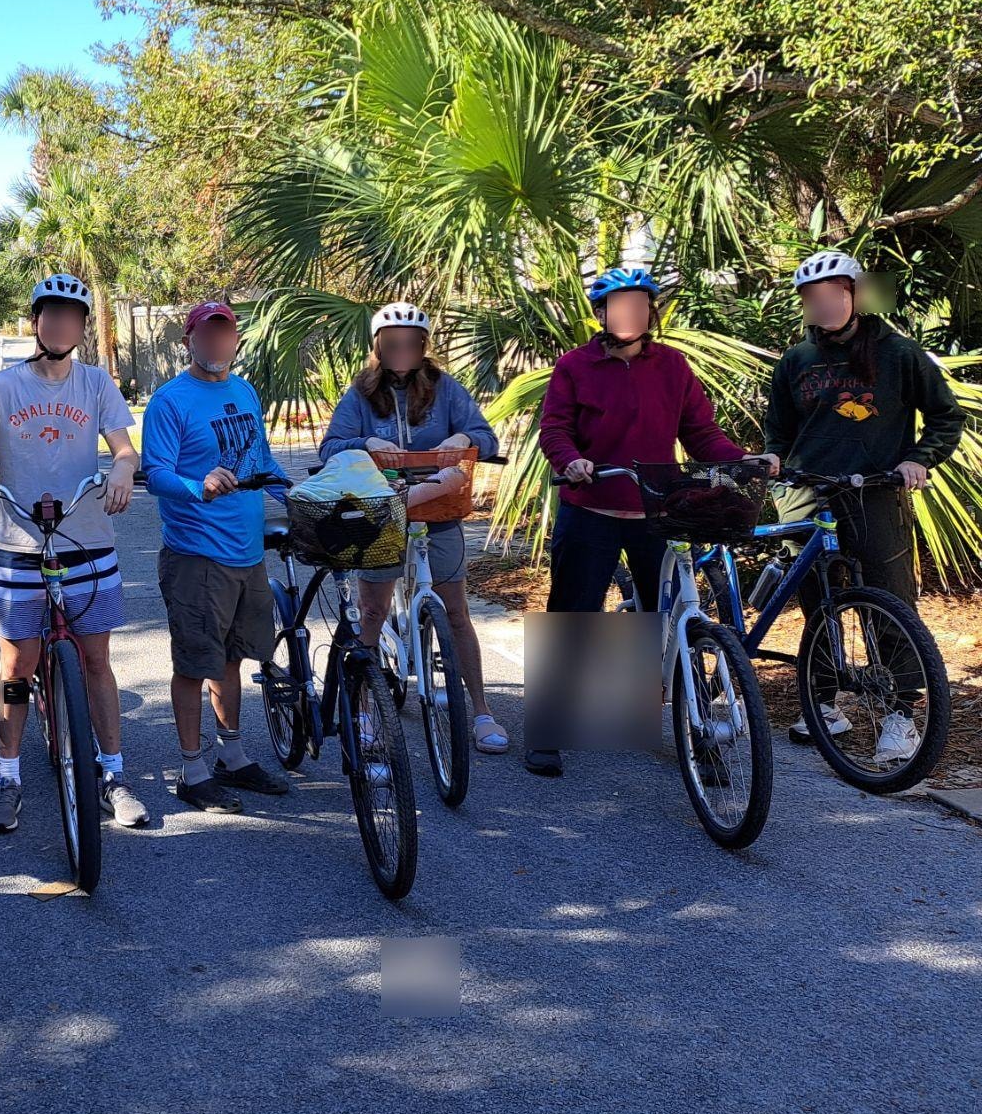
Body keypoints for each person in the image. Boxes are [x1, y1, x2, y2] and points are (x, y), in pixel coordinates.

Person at [531, 267, 774, 776]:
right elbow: (554, 427)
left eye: (640, 306)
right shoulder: (575, 365)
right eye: (619, 307)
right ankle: (549, 729)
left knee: (675, 620)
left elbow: (701, 432)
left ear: (650, 312)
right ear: (601, 314)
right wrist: (570, 460)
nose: (630, 315)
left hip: (656, 512)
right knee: (573, 614)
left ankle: (700, 734)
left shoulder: (672, 366)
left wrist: (740, 459)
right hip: (591, 506)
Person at [0, 273, 146, 833]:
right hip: (18, 547)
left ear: (80, 327)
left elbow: (124, 449)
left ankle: (113, 776)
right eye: (49, 316)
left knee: (97, 661)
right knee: (16, 668)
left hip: (88, 542)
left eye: (71, 317)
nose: (60, 325)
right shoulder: (2, 388)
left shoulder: (97, 383)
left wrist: (124, 470)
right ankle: (8, 777)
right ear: (36, 323)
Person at [764, 250, 965, 754]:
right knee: (816, 602)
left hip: (873, 489)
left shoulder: (899, 353)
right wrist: (771, 458)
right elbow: (780, 430)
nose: (823, 303)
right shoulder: (796, 361)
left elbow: (945, 416)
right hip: (808, 492)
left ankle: (901, 714)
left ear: (852, 294)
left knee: (889, 600)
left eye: (833, 293)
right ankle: (825, 705)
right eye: (813, 297)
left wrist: (920, 459)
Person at [318, 302, 508, 756]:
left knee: (457, 612)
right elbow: (330, 447)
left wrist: (465, 439)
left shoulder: (446, 390)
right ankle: (366, 709)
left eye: (411, 343)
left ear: (423, 347)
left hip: (438, 511)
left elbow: (486, 437)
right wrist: (366, 442)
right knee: (372, 613)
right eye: (392, 343)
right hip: (380, 513)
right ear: (378, 347)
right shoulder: (360, 395)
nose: (401, 350)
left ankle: (480, 711)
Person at [138, 301, 293, 813]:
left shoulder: (245, 390)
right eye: (206, 336)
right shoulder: (170, 400)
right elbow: (155, 473)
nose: (216, 345)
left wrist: (300, 494)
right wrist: (196, 484)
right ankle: (192, 768)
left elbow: (262, 461)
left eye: (225, 336)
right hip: (196, 556)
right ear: (189, 341)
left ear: (235, 341)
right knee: (193, 663)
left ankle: (233, 756)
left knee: (231, 660)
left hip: (247, 553)